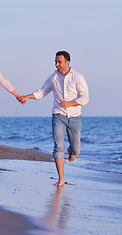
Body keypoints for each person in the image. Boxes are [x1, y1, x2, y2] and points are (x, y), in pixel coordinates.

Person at [18, 51, 89, 186]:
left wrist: (69, 103)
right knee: (58, 146)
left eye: (59, 62)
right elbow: (42, 92)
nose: (56, 64)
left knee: (77, 149)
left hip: (74, 117)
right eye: (55, 61)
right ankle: (61, 179)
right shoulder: (53, 78)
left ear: (67, 63)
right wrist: (27, 96)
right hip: (58, 115)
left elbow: (85, 98)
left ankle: (72, 151)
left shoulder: (78, 77)